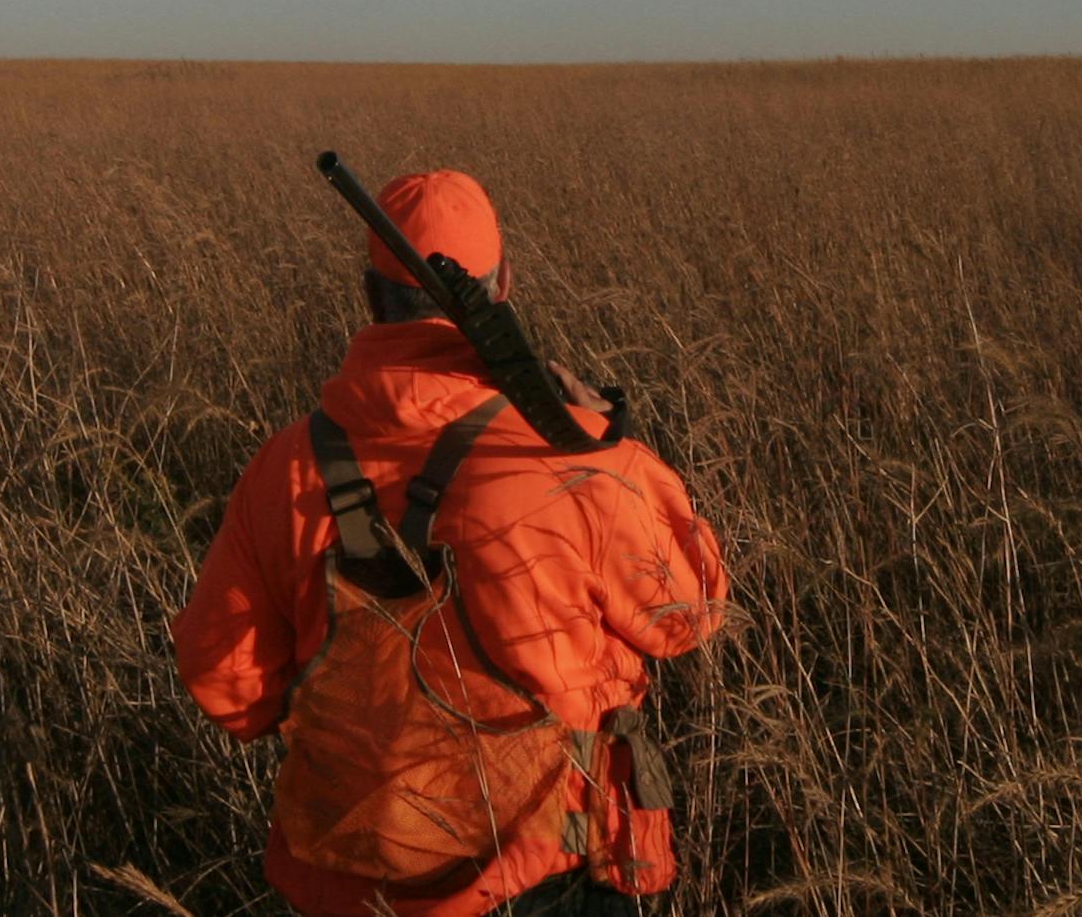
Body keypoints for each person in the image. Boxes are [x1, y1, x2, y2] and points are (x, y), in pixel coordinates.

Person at [172, 169, 729, 916]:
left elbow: (224, 684)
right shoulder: (571, 460)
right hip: (548, 876)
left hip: (349, 889)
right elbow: (687, 613)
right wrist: (615, 446)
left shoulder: (286, 466)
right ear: (505, 287)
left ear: (372, 298)